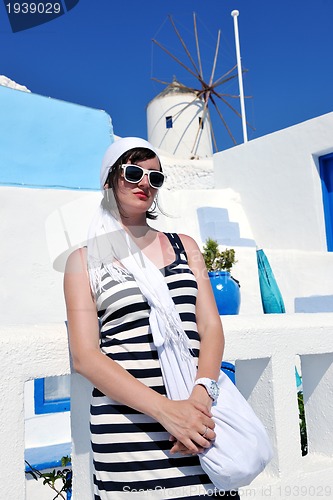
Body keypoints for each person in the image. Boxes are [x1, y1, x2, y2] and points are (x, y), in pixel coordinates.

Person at [64, 137, 240, 499]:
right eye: (133, 173)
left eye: (155, 178)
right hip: (129, 438)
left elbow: (209, 327)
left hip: (199, 428)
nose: (145, 183)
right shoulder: (82, 262)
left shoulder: (186, 247)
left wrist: (199, 400)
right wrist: (168, 413)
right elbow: (86, 356)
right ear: (110, 181)